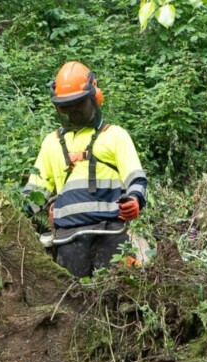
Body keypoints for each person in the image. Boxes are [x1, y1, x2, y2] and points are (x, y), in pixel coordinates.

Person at [22, 61, 147, 278]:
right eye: (67, 108)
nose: (74, 113)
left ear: (94, 99)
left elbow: (135, 177)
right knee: (72, 303)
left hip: (110, 232)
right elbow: (34, 191)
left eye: (78, 106)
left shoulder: (115, 135)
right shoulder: (52, 142)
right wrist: (10, 218)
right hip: (67, 238)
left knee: (119, 297)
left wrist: (135, 199)